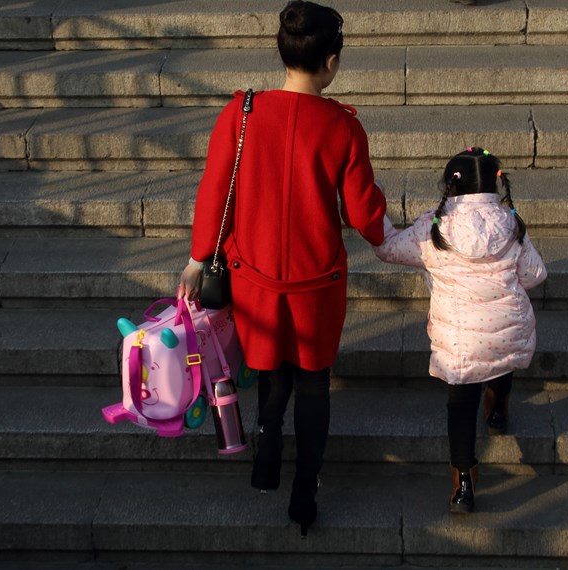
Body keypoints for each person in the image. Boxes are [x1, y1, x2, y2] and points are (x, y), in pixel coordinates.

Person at [177, 0, 387, 536]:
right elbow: (363, 212)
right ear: (331, 62)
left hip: (255, 277)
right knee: (314, 384)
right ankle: (304, 493)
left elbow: (215, 191)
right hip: (317, 283)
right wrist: (394, 235)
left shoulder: (242, 112)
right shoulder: (343, 127)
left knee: (270, 372)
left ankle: (266, 455)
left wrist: (199, 258)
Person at [372, 147, 547, 513]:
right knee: (501, 354)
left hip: (461, 340)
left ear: (450, 186)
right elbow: (535, 275)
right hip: (508, 327)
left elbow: (387, 249)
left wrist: (376, 206)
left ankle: (463, 482)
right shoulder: (511, 223)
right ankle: (498, 407)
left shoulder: (434, 227)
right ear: (496, 184)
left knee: (461, 405)